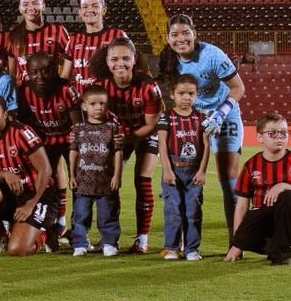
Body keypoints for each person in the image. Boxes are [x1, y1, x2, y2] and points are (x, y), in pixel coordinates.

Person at [157, 14, 246, 239]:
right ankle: (181, 242)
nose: (181, 39)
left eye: (186, 33)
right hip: (193, 118)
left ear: (194, 34)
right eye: (174, 34)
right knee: (184, 176)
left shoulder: (212, 55)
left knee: (228, 179)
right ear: (168, 38)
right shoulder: (168, 60)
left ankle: (236, 241)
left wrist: (220, 114)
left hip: (224, 115)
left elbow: (238, 88)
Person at [91, 37, 161, 254]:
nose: (119, 63)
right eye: (114, 59)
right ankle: (111, 238)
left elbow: (151, 124)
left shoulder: (149, 87)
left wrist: (126, 138)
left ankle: (142, 238)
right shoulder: (100, 87)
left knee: (142, 179)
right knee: (109, 182)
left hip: (143, 133)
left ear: (134, 59)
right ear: (107, 61)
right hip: (118, 136)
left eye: (125, 58)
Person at [224, 113, 291, 266]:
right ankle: (271, 246)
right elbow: (241, 206)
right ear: (260, 138)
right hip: (263, 216)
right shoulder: (251, 165)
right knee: (251, 218)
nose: (279, 137)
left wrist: (283, 186)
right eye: (272, 133)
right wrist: (237, 243)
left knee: (288, 197)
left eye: (283, 133)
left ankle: (281, 255)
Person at [0, 94, 54, 256]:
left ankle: (46, 233)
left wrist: (30, 204)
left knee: (17, 250)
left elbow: (46, 170)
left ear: (5, 114)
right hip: (10, 194)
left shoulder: (22, 132)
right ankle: (3, 235)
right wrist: (5, 174)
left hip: (37, 194)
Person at [17, 51, 79, 243]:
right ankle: (56, 224)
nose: (40, 76)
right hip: (45, 141)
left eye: (44, 71)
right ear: (27, 72)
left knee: (78, 183)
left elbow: (78, 126)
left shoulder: (66, 90)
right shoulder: (24, 91)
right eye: (34, 72)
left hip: (70, 140)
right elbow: (27, 122)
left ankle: (79, 230)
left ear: (54, 70)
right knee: (47, 181)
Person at [157, 75, 210, 260]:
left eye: (191, 93)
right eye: (181, 93)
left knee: (193, 211)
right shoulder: (166, 117)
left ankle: (191, 249)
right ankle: (171, 248)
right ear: (172, 94)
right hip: (173, 169)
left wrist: (202, 171)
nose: (186, 97)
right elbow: (162, 144)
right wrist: (167, 170)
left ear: (197, 95)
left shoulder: (202, 118)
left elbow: (206, 146)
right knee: (173, 210)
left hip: (194, 171)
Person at [68, 86, 123, 257]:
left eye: (102, 103)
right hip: (83, 181)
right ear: (84, 106)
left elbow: (117, 152)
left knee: (107, 215)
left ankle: (109, 242)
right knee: (81, 214)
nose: (98, 107)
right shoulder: (78, 129)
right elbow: (73, 152)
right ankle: (80, 243)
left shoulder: (112, 127)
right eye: (93, 104)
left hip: (105, 181)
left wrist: (117, 175)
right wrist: (71, 175)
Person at [63, 0, 126, 91]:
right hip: (82, 101)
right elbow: (65, 75)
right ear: (80, 12)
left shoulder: (117, 35)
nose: (90, 10)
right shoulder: (74, 39)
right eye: (85, 7)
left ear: (104, 10)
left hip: (111, 98)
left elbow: (131, 69)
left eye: (95, 6)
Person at [9, 0, 69, 84]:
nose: (30, 7)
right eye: (25, 4)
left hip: (52, 89)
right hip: (25, 92)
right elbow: (12, 73)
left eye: (35, 3)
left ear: (43, 6)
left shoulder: (58, 30)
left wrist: (62, 81)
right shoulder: (13, 35)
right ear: (20, 8)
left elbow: (70, 58)